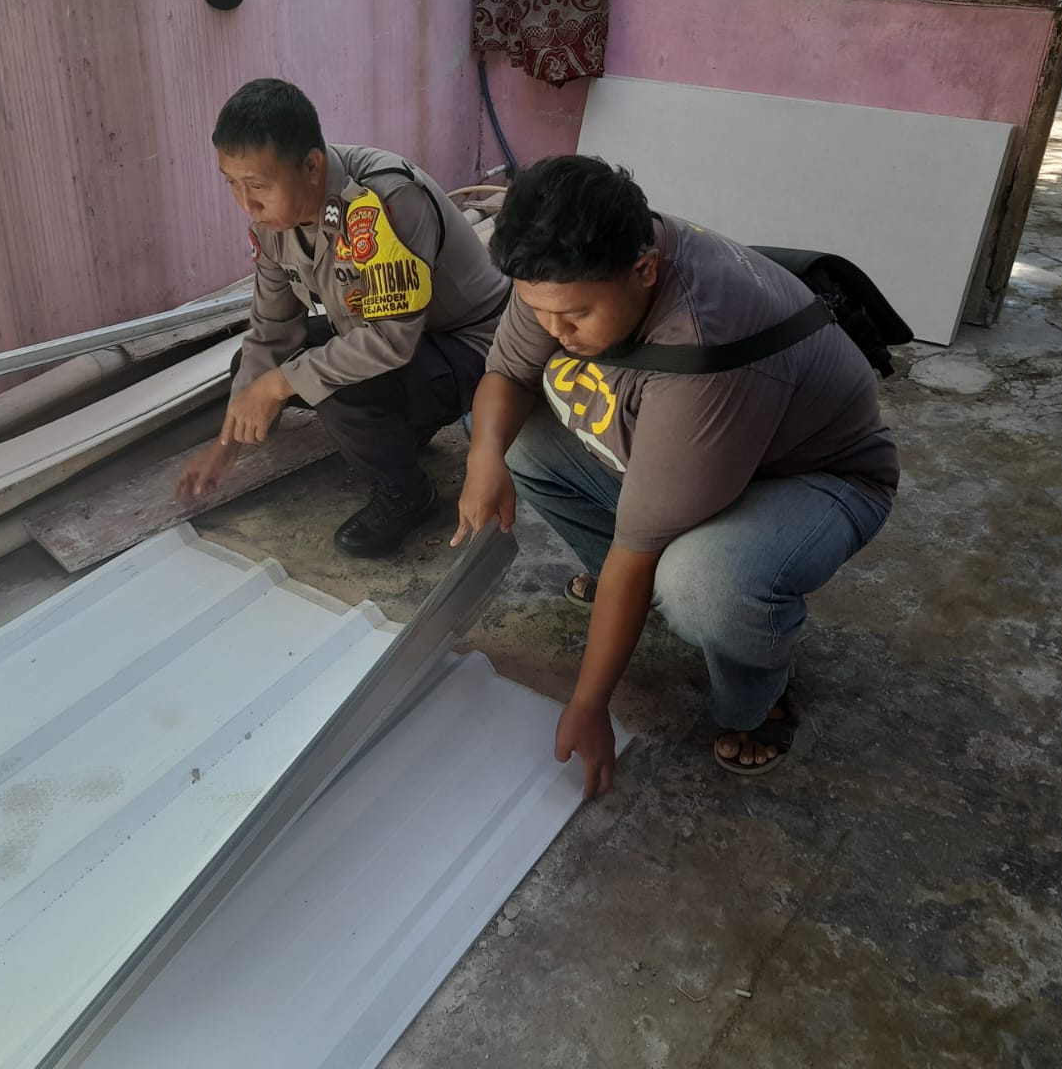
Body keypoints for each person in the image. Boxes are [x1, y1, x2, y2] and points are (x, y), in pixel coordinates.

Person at [452, 156, 898, 792]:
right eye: (538, 311)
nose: (554, 330)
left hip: (816, 478)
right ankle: (637, 596)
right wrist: (482, 461)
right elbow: (507, 375)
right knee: (500, 437)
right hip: (703, 452)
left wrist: (589, 704)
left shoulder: (707, 344)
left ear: (645, 269)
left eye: (573, 317)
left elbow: (638, 550)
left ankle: (759, 697)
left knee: (702, 585)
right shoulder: (568, 260)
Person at [179, 79, 511, 557]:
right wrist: (226, 445)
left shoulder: (384, 201)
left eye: (257, 185)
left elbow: (390, 341)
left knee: (331, 385)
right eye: (231, 183)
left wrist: (279, 384)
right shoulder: (273, 223)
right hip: (401, 342)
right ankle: (403, 433)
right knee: (256, 368)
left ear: (312, 166)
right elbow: (272, 330)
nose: (245, 204)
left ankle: (409, 496)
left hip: (471, 346)